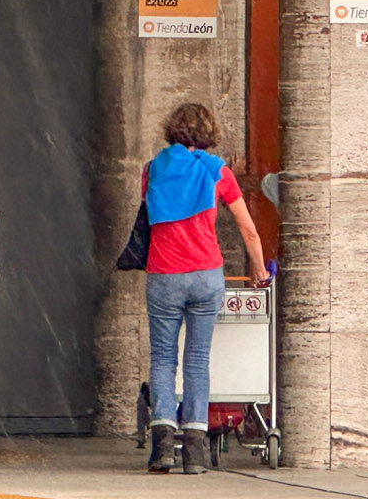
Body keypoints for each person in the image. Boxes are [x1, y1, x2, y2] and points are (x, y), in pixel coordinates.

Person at [142, 104, 268, 475]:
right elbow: (248, 229)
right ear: (209, 132)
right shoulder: (218, 173)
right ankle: (194, 452)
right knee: (197, 360)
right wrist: (260, 269)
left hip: (164, 272)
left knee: (163, 359)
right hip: (205, 274)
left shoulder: (152, 170)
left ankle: (163, 446)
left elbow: (150, 217)